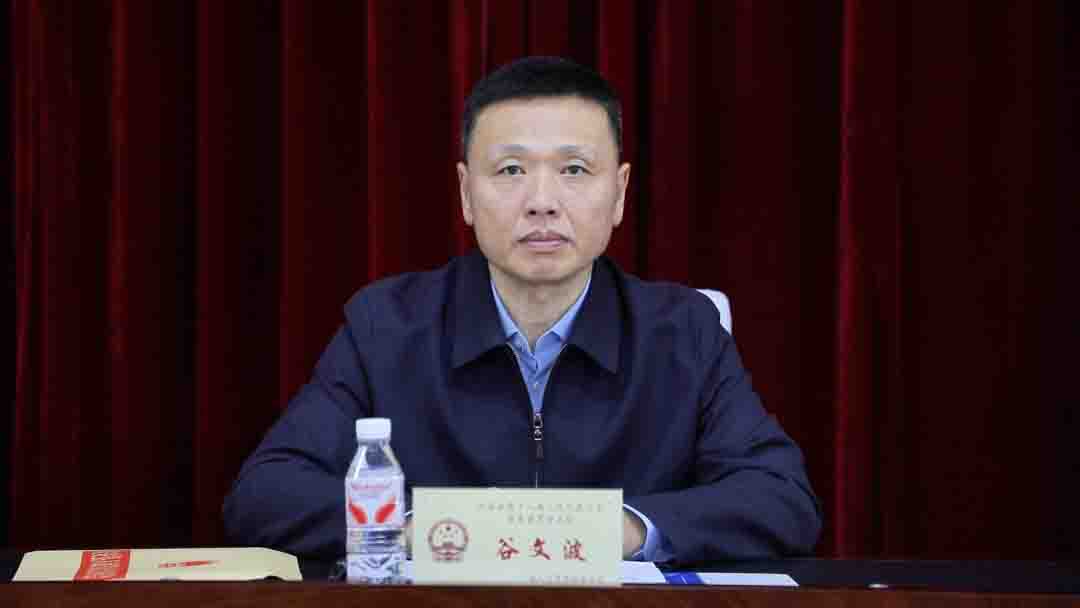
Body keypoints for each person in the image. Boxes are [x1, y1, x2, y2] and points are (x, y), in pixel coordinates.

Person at [223, 56, 821, 565]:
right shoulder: (388, 325)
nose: (542, 202)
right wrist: (421, 533)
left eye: (574, 170)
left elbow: (781, 496)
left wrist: (618, 531)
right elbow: (265, 493)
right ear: (466, 193)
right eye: (510, 170)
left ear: (619, 193)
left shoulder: (683, 331)